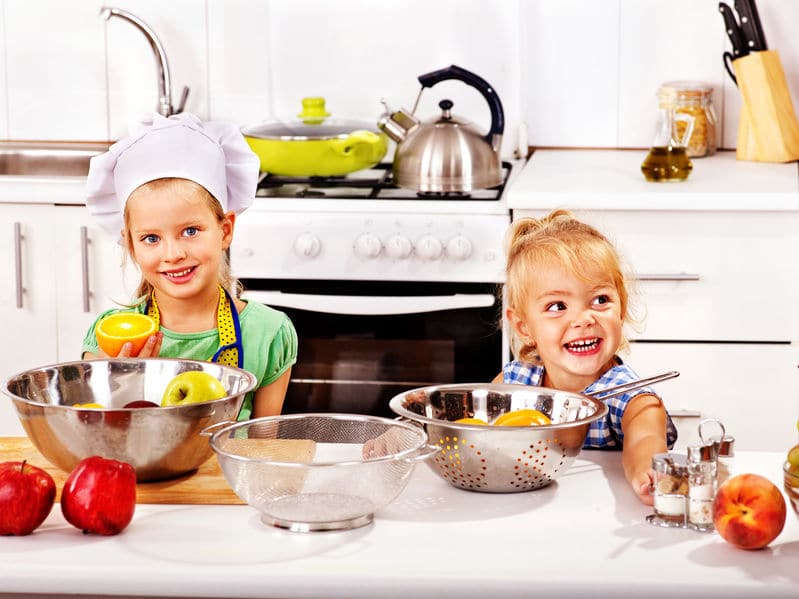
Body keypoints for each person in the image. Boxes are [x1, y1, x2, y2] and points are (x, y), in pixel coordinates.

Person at [81, 112, 297, 419]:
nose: (173, 254)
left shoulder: (268, 334)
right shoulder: (109, 338)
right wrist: (123, 382)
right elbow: (97, 434)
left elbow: (262, 446)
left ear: (225, 231)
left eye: (190, 231)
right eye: (151, 238)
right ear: (130, 244)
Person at [495, 209, 677, 505]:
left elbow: (646, 441)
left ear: (621, 307)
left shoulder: (631, 398)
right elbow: (481, 430)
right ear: (524, 327)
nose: (583, 319)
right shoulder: (516, 382)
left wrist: (650, 473)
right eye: (557, 306)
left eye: (600, 300)